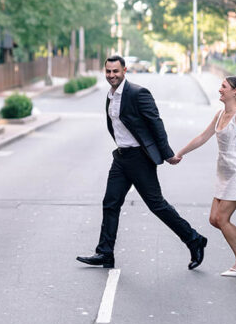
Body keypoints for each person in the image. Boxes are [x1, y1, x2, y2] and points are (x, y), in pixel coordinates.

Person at [76, 56, 208, 270]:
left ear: (125, 71)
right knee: (110, 203)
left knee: (157, 205)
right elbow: (115, 125)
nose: (112, 75)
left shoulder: (138, 93)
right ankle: (105, 253)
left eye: (115, 71)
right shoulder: (110, 96)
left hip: (139, 159)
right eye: (108, 71)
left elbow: (156, 124)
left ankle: (194, 239)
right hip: (121, 158)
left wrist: (167, 154)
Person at [166, 76, 236, 277]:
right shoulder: (220, 113)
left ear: (235, 91)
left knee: (222, 218)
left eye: (224, 87)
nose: (220, 90)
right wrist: (180, 153)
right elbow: (203, 137)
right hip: (223, 171)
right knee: (214, 219)